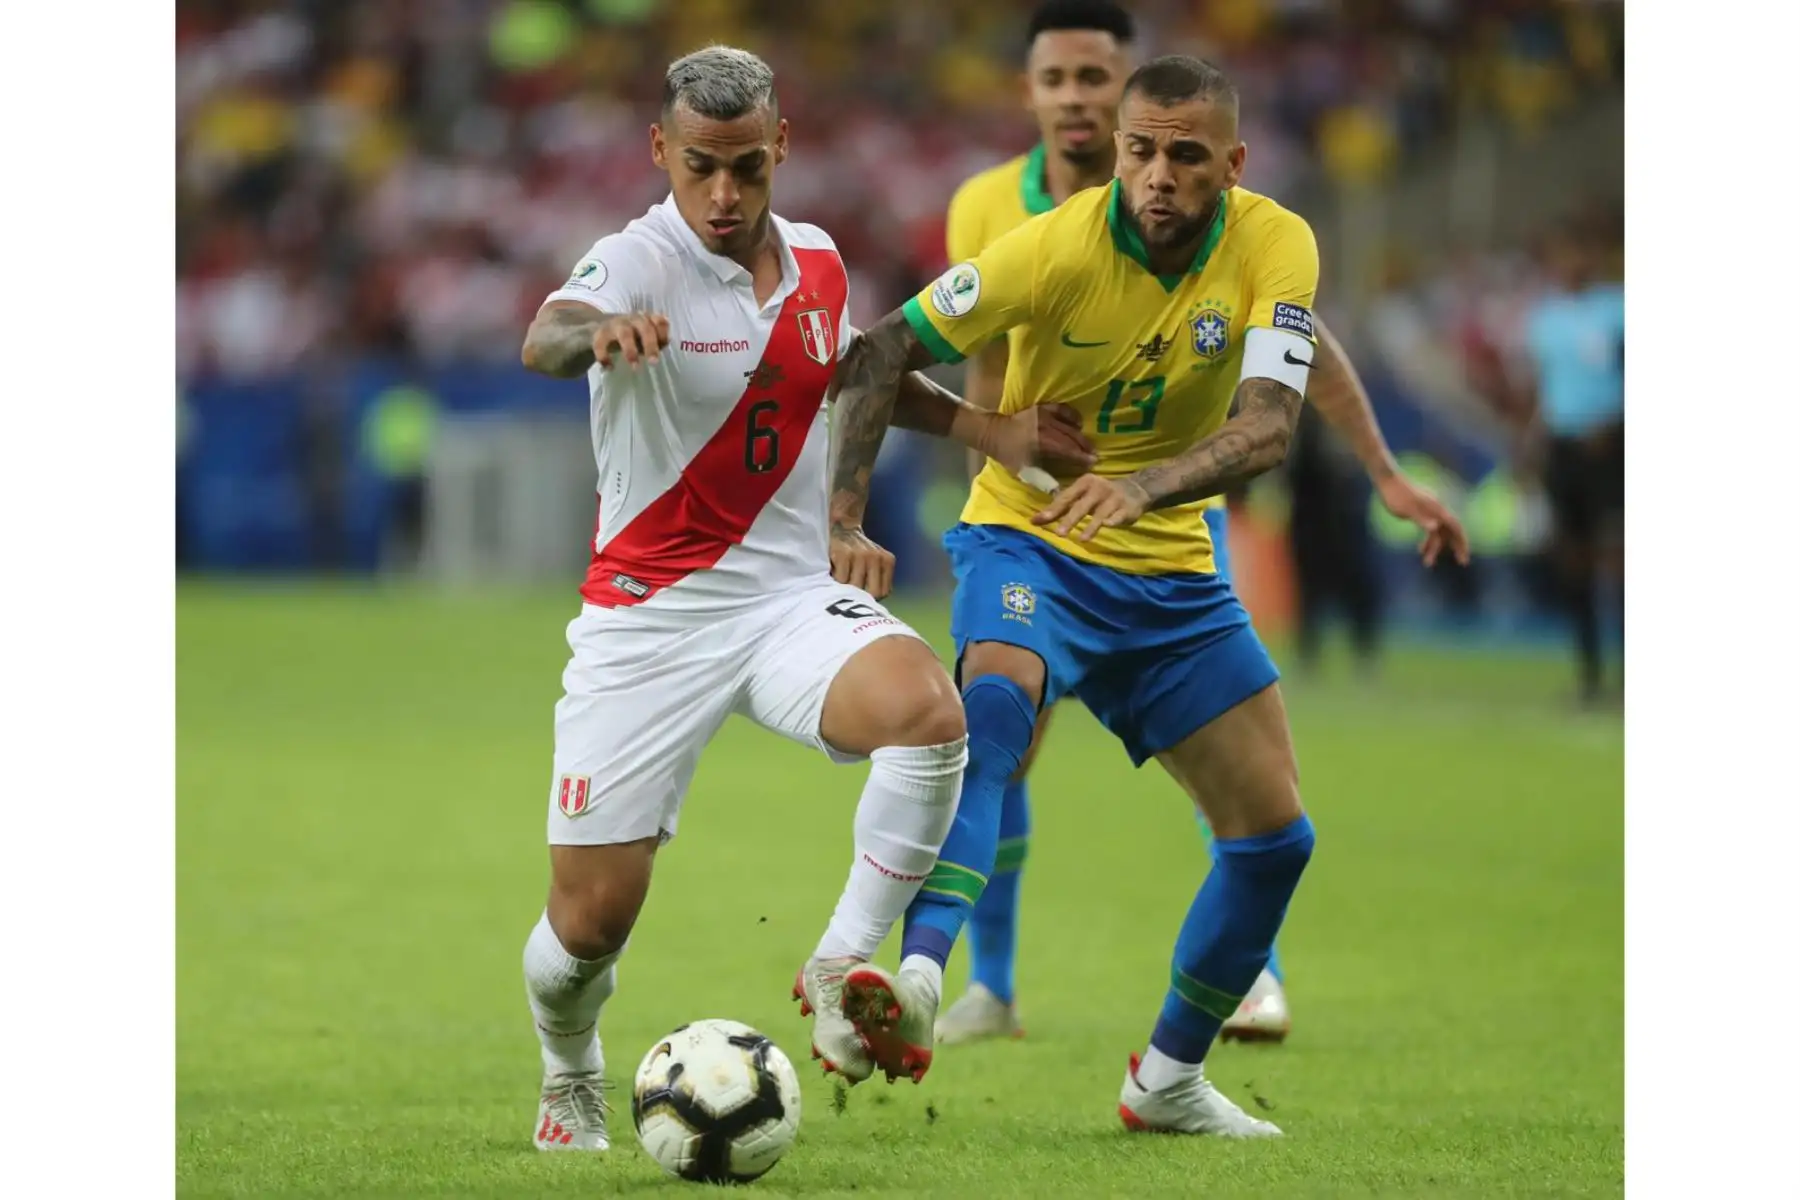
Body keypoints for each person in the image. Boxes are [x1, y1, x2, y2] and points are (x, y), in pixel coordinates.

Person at [827, 55, 1464, 1134]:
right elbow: (876, 353)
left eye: (1185, 155)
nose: (1159, 175)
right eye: (1141, 151)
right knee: (995, 716)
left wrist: (1142, 489)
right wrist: (860, 510)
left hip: (1168, 568)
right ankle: (924, 980)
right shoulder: (1050, 245)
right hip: (1029, 537)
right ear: (1118, 152)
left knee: (1275, 839)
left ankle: (1167, 1080)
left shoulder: (1277, 242)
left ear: (1234, 163)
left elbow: (1269, 424)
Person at [513, 45, 1093, 1153]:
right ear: (660, 152)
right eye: (699, 167)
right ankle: (569, 1061)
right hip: (651, 618)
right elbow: (546, 334)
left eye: (746, 167)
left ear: (780, 145)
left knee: (931, 712)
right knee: (590, 926)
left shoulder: (818, 261)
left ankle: (840, 965)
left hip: (784, 601)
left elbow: (857, 371)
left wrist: (989, 429)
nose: (723, 194)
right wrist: (599, 333)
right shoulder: (634, 259)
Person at [1519, 225, 1624, 705]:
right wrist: (1531, 443)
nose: (1572, 262)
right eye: (1564, 253)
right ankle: (1590, 676)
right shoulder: (1546, 320)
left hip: (1610, 444)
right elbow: (1544, 388)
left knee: (1619, 560)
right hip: (1564, 447)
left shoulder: (1618, 310)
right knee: (1574, 560)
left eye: (1580, 251)